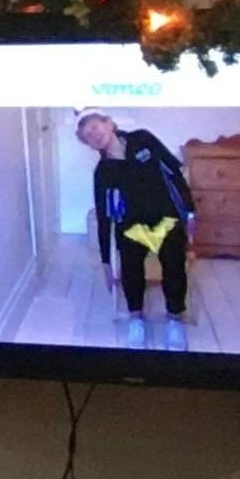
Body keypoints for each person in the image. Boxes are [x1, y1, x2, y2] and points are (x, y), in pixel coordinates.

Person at [80, 112, 197, 347]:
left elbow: (174, 171)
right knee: (131, 273)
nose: (94, 134)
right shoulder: (103, 172)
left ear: (110, 123)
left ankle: (174, 320)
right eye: (88, 135)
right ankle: (136, 319)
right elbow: (104, 217)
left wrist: (190, 212)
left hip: (167, 219)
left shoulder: (142, 139)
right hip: (132, 226)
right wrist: (105, 262)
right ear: (88, 144)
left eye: (95, 126)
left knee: (175, 271)